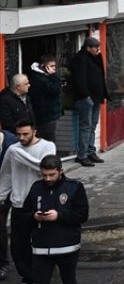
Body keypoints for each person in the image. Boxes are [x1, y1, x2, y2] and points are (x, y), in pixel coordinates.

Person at [0, 121, 56, 283]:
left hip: (41, 202)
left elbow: (44, 166)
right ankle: (27, 276)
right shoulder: (13, 150)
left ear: (34, 132)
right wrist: (1, 197)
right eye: (18, 134)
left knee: (41, 241)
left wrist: (17, 153)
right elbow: (6, 176)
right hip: (19, 203)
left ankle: (42, 274)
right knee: (19, 244)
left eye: (25, 134)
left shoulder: (47, 147)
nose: (21, 138)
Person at [26, 156, 88, 284]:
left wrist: (58, 216)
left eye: (51, 175)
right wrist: (34, 216)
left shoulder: (75, 187)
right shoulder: (35, 188)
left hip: (67, 248)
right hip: (41, 248)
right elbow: (23, 214)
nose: (48, 179)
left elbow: (81, 215)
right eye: (44, 175)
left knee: (69, 280)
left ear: (61, 171)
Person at [67, 37, 106, 168]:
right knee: (85, 126)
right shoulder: (81, 59)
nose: (98, 50)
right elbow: (80, 80)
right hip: (86, 99)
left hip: (96, 97)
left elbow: (100, 74)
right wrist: (86, 96)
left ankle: (91, 151)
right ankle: (82, 155)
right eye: (96, 48)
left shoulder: (95, 57)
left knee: (93, 125)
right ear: (88, 48)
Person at [27, 56, 64, 153]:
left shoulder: (44, 76)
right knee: (49, 141)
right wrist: (54, 76)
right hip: (46, 115)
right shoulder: (39, 78)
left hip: (50, 114)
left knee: (50, 138)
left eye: (54, 66)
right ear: (44, 66)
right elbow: (55, 90)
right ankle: (50, 162)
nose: (54, 69)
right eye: (51, 66)